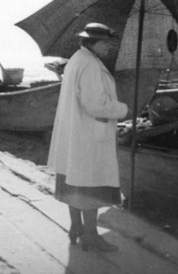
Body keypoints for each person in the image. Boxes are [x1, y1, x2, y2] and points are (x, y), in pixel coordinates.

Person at [47, 22, 128, 252]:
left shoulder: (76, 59)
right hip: (88, 135)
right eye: (106, 43)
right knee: (90, 185)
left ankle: (76, 227)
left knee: (75, 181)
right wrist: (124, 110)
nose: (110, 48)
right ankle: (91, 235)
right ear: (92, 43)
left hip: (75, 133)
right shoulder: (91, 65)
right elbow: (97, 105)